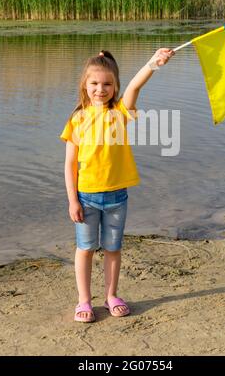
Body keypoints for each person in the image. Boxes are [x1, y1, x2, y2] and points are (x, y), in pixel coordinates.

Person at [60, 47, 175, 323]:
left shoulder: (122, 112)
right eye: (95, 83)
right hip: (85, 196)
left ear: (115, 87)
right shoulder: (77, 119)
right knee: (85, 248)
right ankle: (84, 300)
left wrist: (154, 62)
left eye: (108, 84)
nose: (101, 89)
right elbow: (69, 165)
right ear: (85, 85)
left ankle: (111, 295)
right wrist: (72, 200)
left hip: (116, 197)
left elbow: (136, 84)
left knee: (113, 248)